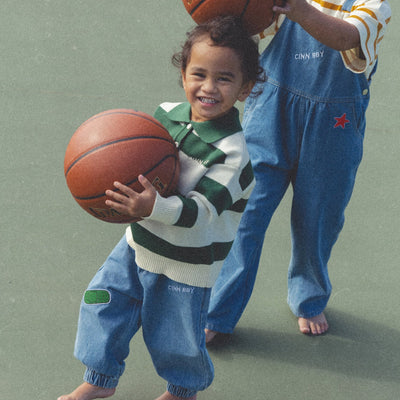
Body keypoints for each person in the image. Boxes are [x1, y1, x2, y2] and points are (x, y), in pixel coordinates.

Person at [58, 16, 264, 400]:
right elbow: (135, 160)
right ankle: (99, 381)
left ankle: (183, 391)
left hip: (187, 264)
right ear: (183, 73)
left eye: (224, 78)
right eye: (198, 74)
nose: (208, 87)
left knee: (175, 337)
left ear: (245, 88)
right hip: (137, 245)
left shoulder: (235, 156)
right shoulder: (164, 115)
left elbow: (200, 213)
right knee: (103, 305)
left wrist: (153, 205)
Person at [205, 0, 392, 339]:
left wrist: (298, 8)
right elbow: (250, 24)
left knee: (318, 218)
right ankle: (216, 311)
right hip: (271, 109)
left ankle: (308, 296)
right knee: (245, 211)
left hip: (333, 125)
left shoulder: (375, 6)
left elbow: (346, 37)